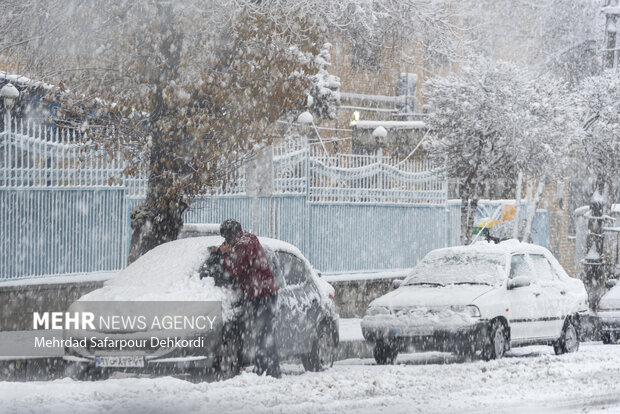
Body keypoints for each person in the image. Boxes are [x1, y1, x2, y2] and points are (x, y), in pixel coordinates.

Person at [213, 219, 281, 378]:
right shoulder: (249, 238)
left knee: (263, 334)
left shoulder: (243, 244)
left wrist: (223, 255)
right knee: (263, 333)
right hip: (264, 292)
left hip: (261, 295)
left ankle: (268, 371)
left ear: (231, 234)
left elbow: (234, 268)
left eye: (226, 237)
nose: (226, 240)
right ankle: (266, 369)